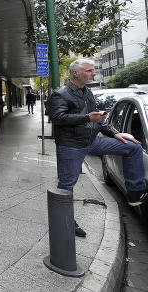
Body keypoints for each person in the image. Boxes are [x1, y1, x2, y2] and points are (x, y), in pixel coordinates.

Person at [50, 58, 148, 237]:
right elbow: (57, 118)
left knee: (132, 147)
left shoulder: (88, 92)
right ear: (76, 73)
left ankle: (135, 193)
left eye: (93, 70)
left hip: (92, 141)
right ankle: (66, 222)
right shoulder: (61, 93)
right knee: (66, 185)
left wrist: (115, 133)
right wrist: (87, 118)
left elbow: (99, 120)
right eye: (89, 71)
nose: (93, 73)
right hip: (71, 146)